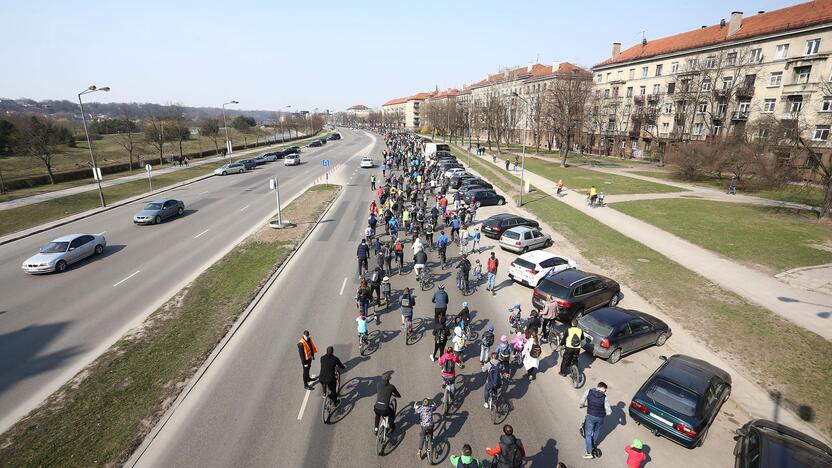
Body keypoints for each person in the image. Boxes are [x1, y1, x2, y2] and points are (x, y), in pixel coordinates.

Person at [580, 382, 612, 459]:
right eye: (605, 390)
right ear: (602, 388)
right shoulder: (605, 398)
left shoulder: (588, 391)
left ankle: (589, 452)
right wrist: (604, 413)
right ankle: (593, 443)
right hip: (600, 418)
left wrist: (582, 405)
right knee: (596, 431)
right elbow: (609, 412)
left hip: (590, 416)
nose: (605, 392)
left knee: (588, 434)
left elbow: (581, 402)